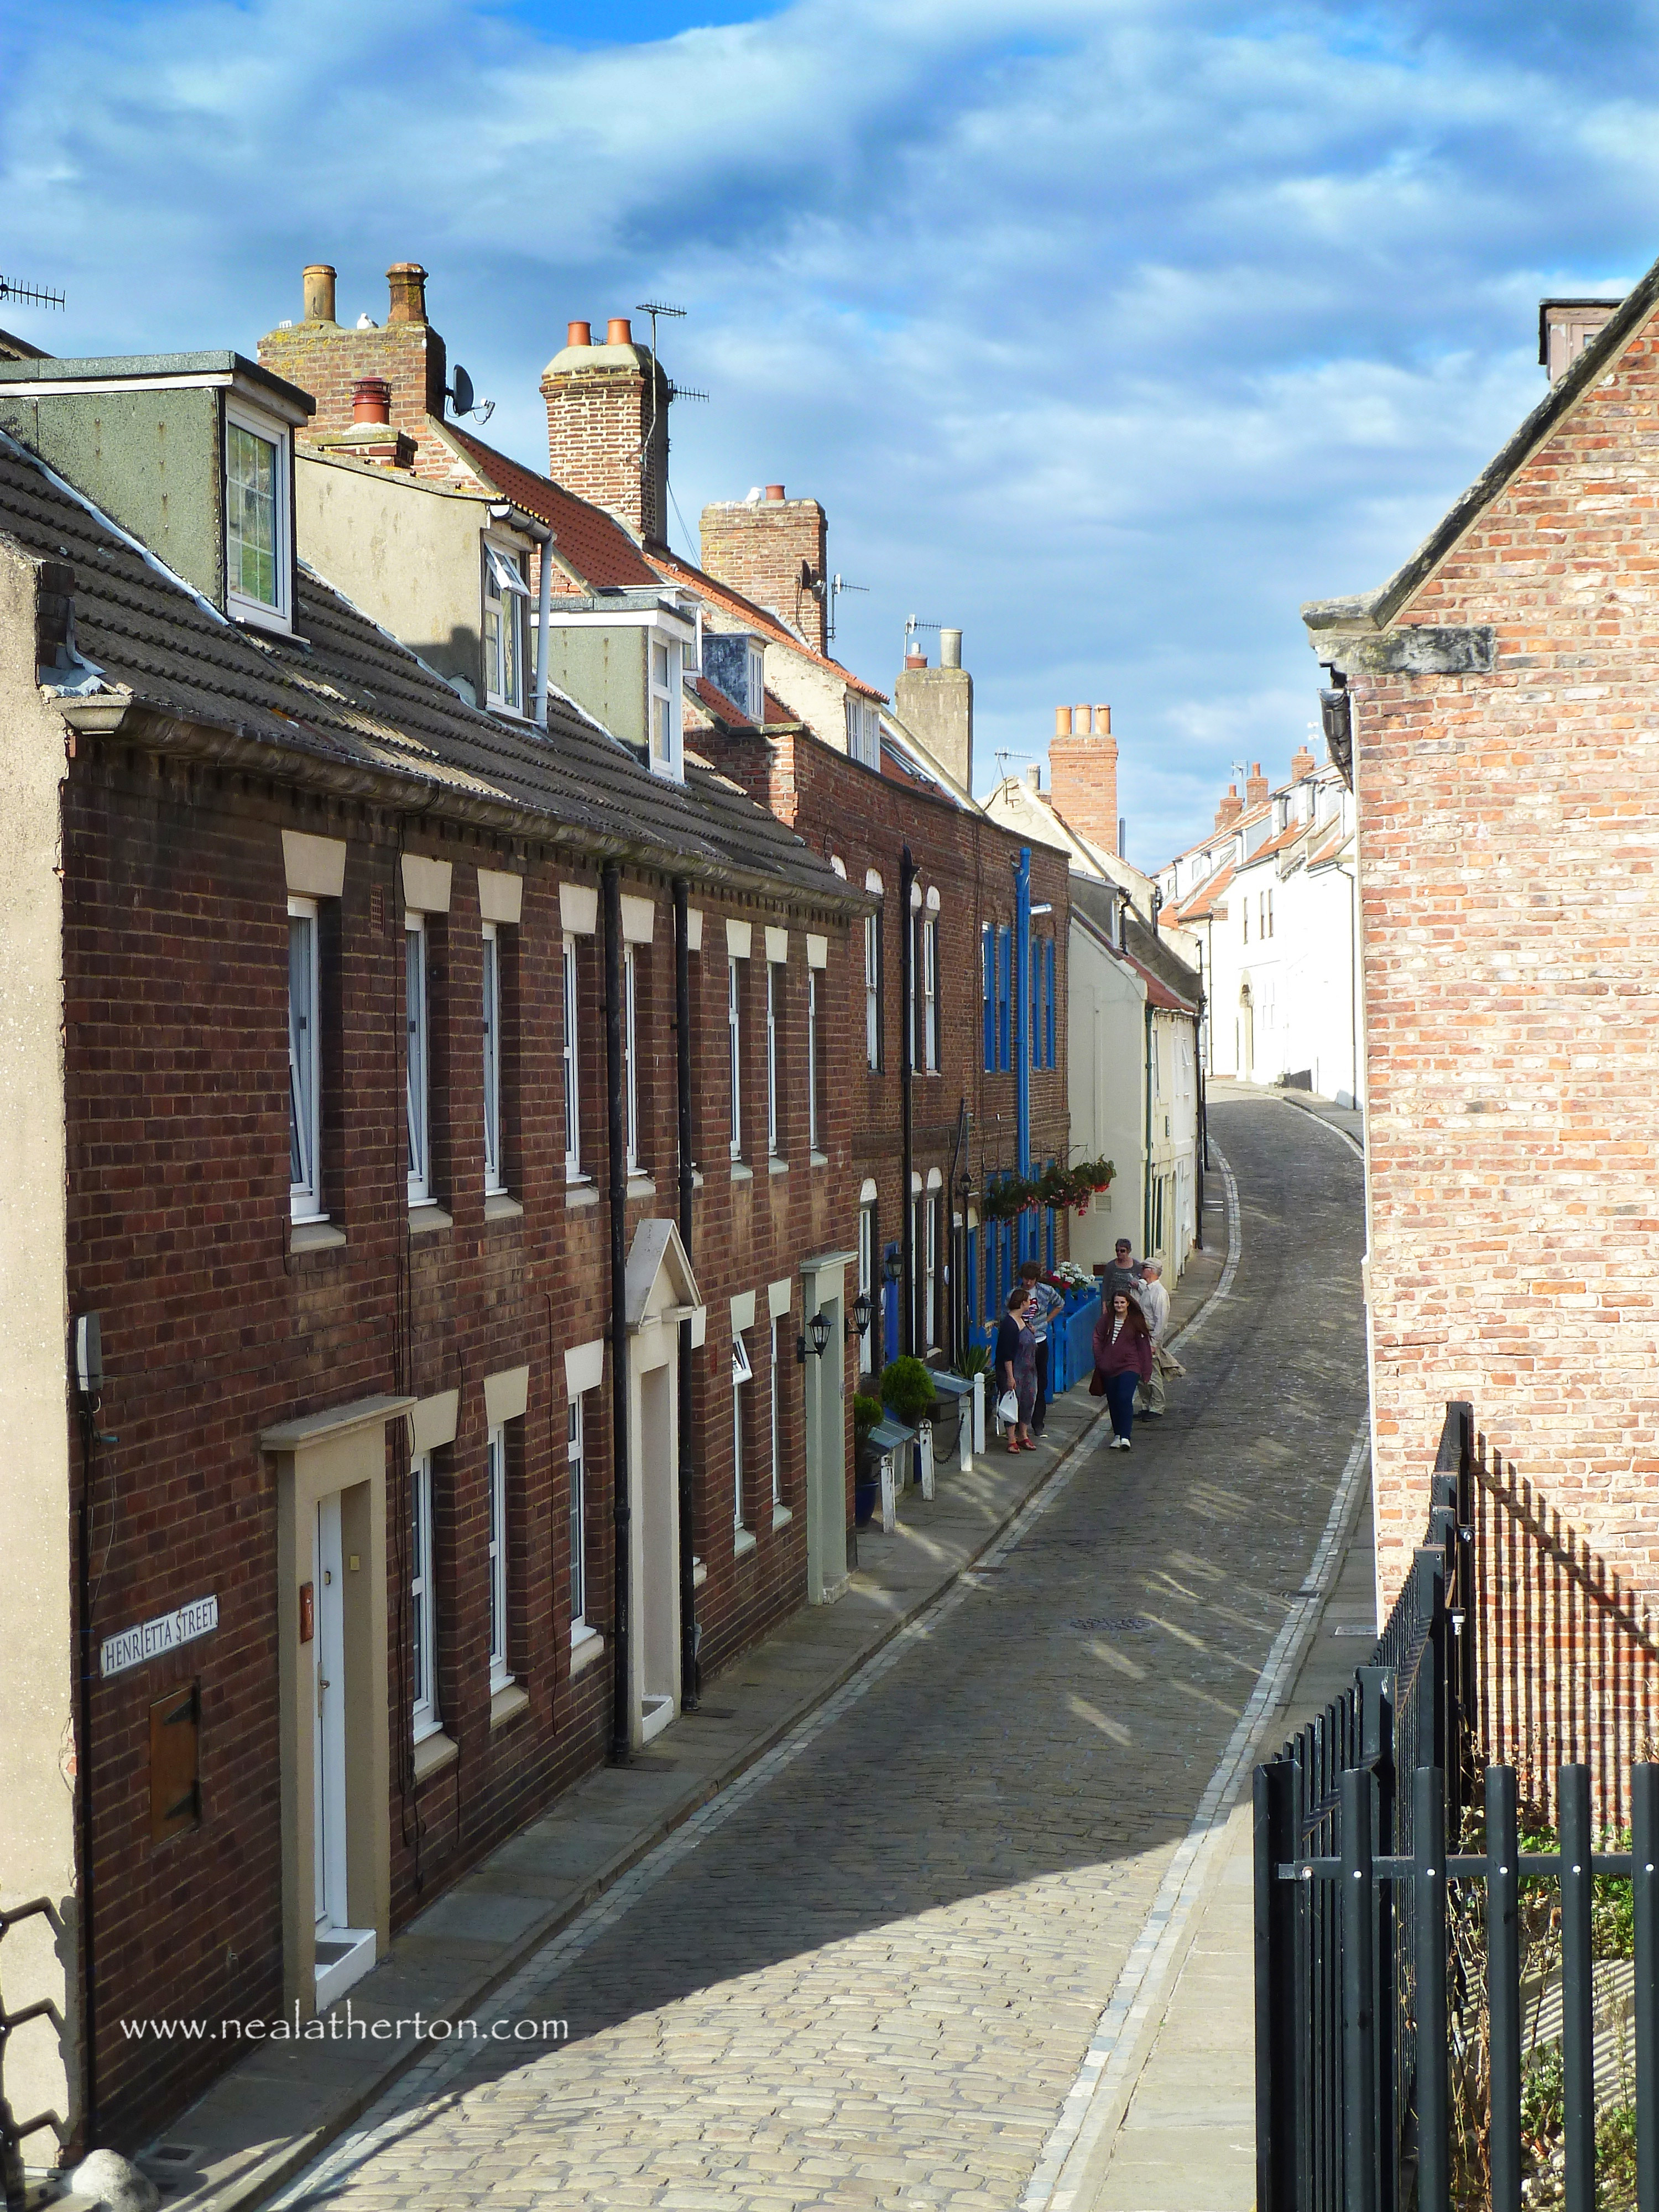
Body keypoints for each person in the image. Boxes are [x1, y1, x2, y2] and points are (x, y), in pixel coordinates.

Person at [1093, 1289, 1153, 1451]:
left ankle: (1126, 1437)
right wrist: (1100, 1359)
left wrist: (1146, 1370)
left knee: (1124, 1398)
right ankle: (1118, 1435)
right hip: (1109, 1367)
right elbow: (1097, 1338)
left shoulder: (1135, 1321)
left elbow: (1144, 1347)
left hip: (1130, 1366)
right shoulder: (1106, 1320)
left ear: (1128, 1304)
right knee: (1113, 1401)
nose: (1119, 1305)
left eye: (1122, 1302)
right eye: (1117, 1302)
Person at [1018, 1260, 1066, 1436]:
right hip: (1022, 1343)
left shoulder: (1046, 1291)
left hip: (1040, 1340)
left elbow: (1060, 1304)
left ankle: (1038, 1422)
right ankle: (1019, 1422)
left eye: (1031, 1279)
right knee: (1022, 1382)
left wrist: (1046, 1322)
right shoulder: (1016, 1294)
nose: (1028, 1283)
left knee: (1041, 1381)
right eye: (1025, 1279)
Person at [993, 1287, 1039, 1453]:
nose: (1030, 1303)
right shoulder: (1009, 1325)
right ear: (1022, 1303)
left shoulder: (1023, 1320)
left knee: (1028, 1402)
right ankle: (1011, 1438)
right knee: (1013, 1403)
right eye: (1028, 1300)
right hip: (1015, 1370)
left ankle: (1024, 1435)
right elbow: (1006, 1354)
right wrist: (1010, 1377)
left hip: (1029, 1370)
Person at [1134, 1259, 1171, 1416]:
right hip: (1140, 1335)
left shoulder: (1159, 1293)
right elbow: (1141, 1287)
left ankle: (1157, 1406)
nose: (1142, 1270)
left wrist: (1154, 1343)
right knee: (1140, 1373)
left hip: (1150, 1337)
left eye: (1145, 1268)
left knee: (1152, 1371)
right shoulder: (1148, 1290)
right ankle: (1146, 1404)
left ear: (1152, 1271)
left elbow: (1161, 1321)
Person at [1099, 1238, 1140, 1309]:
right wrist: (1104, 1306)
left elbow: (1143, 1285)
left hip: (1131, 1303)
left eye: (1123, 1251)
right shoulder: (1111, 1266)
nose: (1119, 1253)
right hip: (1113, 1304)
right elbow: (1105, 1287)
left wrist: (1137, 1286)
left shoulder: (1136, 1266)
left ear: (1129, 1251)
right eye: (1117, 1251)